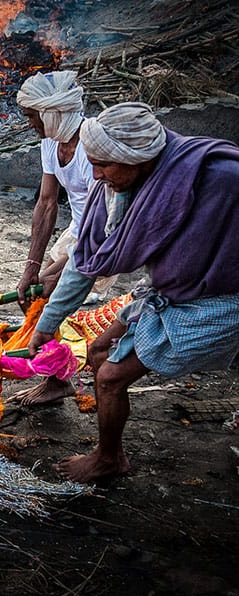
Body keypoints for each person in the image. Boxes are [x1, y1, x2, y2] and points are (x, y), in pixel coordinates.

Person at [27, 102, 239, 483]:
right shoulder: (120, 188)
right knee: (96, 351)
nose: (96, 174)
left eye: (104, 165)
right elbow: (86, 259)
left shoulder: (222, 177)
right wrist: (48, 322)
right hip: (169, 291)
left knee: (109, 376)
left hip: (219, 301)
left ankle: (110, 459)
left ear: (135, 158)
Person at [11, 70, 98, 406]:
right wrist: (31, 266)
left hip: (107, 230)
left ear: (51, 113)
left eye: (33, 117)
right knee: (39, 290)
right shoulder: (51, 141)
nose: (31, 125)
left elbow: (101, 222)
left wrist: (60, 268)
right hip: (81, 226)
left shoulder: (94, 147)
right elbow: (47, 203)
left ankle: (55, 379)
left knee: (51, 293)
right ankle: (56, 377)